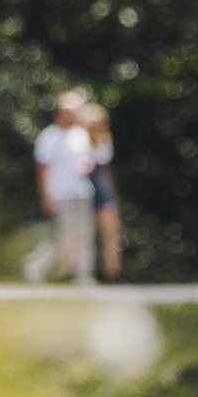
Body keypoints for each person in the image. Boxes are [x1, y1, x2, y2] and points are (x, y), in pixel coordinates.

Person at [34, 90, 95, 285]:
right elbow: (42, 171)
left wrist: (88, 166)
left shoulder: (81, 135)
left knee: (85, 235)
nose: (71, 115)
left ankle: (83, 276)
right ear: (59, 112)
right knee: (64, 238)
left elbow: (88, 160)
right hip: (60, 195)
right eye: (67, 111)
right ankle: (38, 267)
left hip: (82, 193)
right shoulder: (48, 137)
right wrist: (46, 197)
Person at [84, 103, 122, 282]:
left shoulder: (106, 139)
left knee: (112, 234)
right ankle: (85, 274)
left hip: (103, 189)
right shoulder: (78, 142)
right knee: (86, 234)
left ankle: (112, 274)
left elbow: (106, 170)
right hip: (85, 189)